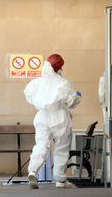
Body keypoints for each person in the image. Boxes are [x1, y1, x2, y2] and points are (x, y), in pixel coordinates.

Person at [24, 54, 81, 189]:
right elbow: (71, 102)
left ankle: (33, 171)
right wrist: (78, 97)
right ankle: (60, 180)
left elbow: (29, 96)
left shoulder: (37, 82)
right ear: (59, 67)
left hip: (42, 116)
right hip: (60, 117)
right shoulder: (63, 83)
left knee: (41, 144)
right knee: (61, 148)